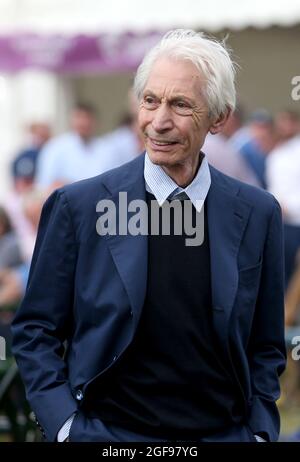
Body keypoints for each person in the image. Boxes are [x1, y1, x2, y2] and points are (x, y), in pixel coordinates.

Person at [11, 29, 286, 443]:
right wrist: (66, 427)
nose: (159, 122)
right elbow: (35, 330)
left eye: (180, 104)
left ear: (219, 117)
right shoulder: (78, 207)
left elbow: (266, 344)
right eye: (150, 100)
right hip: (106, 437)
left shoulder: (258, 213)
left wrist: (260, 432)